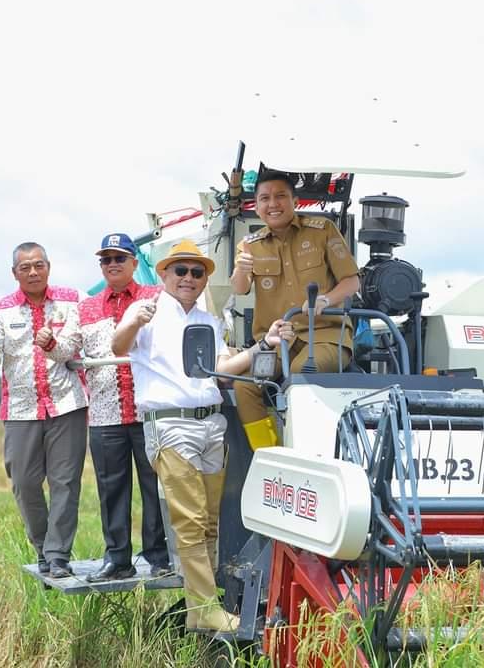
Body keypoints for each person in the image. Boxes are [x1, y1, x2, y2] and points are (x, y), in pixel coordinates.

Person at [112, 239, 295, 633]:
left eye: (197, 272)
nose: (189, 278)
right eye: (181, 270)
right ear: (163, 274)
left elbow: (224, 366)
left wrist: (265, 343)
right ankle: (205, 607)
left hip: (211, 423)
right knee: (191, 521)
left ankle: (201, 608)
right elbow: (118, 345)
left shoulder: (210, 322)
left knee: (210, 523)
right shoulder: (145, 312)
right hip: (171, 424)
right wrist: (132, 322)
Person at [0, 242, 88, 579]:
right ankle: (42, 546)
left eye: (38, 265)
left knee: (65, 482)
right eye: (25, 267)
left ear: (48, 267)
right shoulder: (1, 309)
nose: (33, 272)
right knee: (24, 482)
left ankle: (57, 556)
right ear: (15, 274)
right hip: (21, 408)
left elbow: (80, 342)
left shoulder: (72, 300)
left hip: (68, 403)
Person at [69, 233, 171, 582]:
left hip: (148, 408)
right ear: (101, 266)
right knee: (111, 490)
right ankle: (118, 559)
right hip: (105, 412)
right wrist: (50, 344)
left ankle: (159, 556)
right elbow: (68, 349)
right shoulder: (85, 308)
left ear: (132, 262)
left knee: (155, 486)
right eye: (106, 260)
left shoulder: (154, 297)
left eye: (119, 258)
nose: (112, 264)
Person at [229, 168, 360, 429]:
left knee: (300, 376)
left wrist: (325, 300)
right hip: (278, 342)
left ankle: (302, 452)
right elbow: (239, 288)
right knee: (244, 386)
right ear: (256, 206)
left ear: (295, 201)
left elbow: (353, 281)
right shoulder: (250, 245)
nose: (273, 204)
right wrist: (241, 270)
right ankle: (269, 454)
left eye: (280, 196)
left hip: (324, 336)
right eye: (264, 198)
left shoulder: (323, 229)